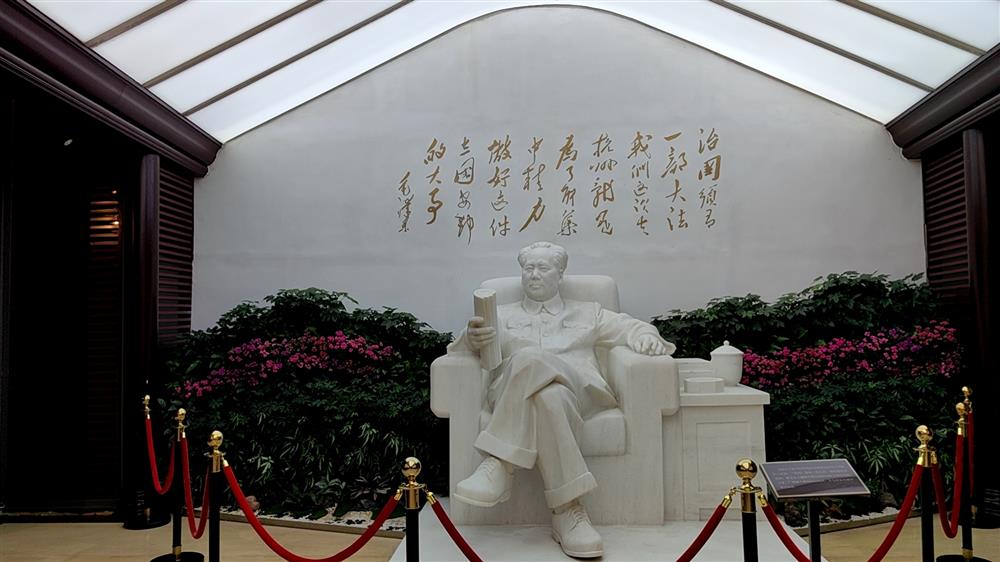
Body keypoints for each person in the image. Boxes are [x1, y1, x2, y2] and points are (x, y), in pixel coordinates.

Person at [451, 241, 674, 558]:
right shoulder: (499, 316)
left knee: (530, 359)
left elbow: (632, 327)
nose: (534, 275)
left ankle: (499, 462)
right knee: (548, 395)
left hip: (579, 391)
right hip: (519, 395)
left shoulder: (589, 312)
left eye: (543, 268)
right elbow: (458, 351)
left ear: (560, 274)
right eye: (528, 268)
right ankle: (568, 511)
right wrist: (470, 339)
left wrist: (646, 338)